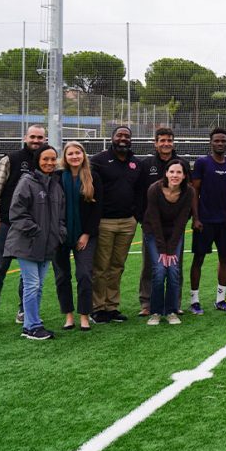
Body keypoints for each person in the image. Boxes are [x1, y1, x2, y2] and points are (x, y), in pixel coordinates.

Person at [0, 124, 44, 332]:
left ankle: (23, 311)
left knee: (28, 274)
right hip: (8, 226)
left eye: (40, 138)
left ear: (45, 140)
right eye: (33, 136)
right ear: (25, 137)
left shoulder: (46, 161)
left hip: (32, 228)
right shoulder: (11, 159)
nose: (36, 141)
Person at [6, 144, 65, 340]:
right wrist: (36, 231)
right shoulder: (26, 182)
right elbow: (17, 213)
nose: (49, 162)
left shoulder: (55, 185)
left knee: (38, 285)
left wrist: (59, 233)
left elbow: (61, 215)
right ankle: (31, 326)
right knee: (32, 284)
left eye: (52, 159)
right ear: (37, 161)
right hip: (27, 243)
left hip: (48, 244)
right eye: (45, 159)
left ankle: (33, 322)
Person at [90, 125, 142, 324]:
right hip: (105, 222)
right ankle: (97, 308)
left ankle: (112, 306)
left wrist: (135, 216)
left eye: (127, 136)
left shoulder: (136, 163)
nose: (123, 138)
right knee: (101, 267)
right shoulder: (99, 160)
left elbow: (139, 192)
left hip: (127, 223)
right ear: (112, 138)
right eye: (119, 135)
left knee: (117, 266)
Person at [137, 127, 192, 316]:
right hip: (152, 226)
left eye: (169, 140)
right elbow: (140, 193)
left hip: (175, 227)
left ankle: (174, 303)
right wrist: (142, 218)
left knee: (175, 264)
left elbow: (188, 195)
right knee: (150, 265)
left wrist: (183, 222)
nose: (166, 143)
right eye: (162, 140)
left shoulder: (183, 164)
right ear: (156, 143)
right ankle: (147, 303)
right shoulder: (147, 164)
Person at [190, 128, 226, 314]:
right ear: (211, 142)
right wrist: (196, 217)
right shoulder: (202, 163)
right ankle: (194, 301)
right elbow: (194, 191)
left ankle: (220, 299)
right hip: (204, 220)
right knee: (199, 259)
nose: (220, 143)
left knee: (225, 258)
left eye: (223, 141)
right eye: (217, 140)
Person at [53, 142, 102, 332]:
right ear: (65, 157)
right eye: (70, 153)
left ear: (83, 155)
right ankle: (68, 316)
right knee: (62, 276)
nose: (74, 156)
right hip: (60, 235)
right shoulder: (57, 177)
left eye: (78, 153)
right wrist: (58, 231)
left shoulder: (93, 177)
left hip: (85, 235)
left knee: (84, 275)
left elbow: (97, 209)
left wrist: (86, 234)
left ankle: (84, 316)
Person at [143, 159, 194, 326]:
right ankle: (156, 312)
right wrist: (162, 250)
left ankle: (171, 310)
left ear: (184, 175)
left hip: (174, 233)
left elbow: (181, 222)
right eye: (172, 171)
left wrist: (171, 250)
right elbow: (154, 220)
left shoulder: (189, 192)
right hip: (154, 232)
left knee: (173, 270)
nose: (175, 175)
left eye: (179, 172)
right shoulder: (154, 189)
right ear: (166, 173)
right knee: (159, 270)